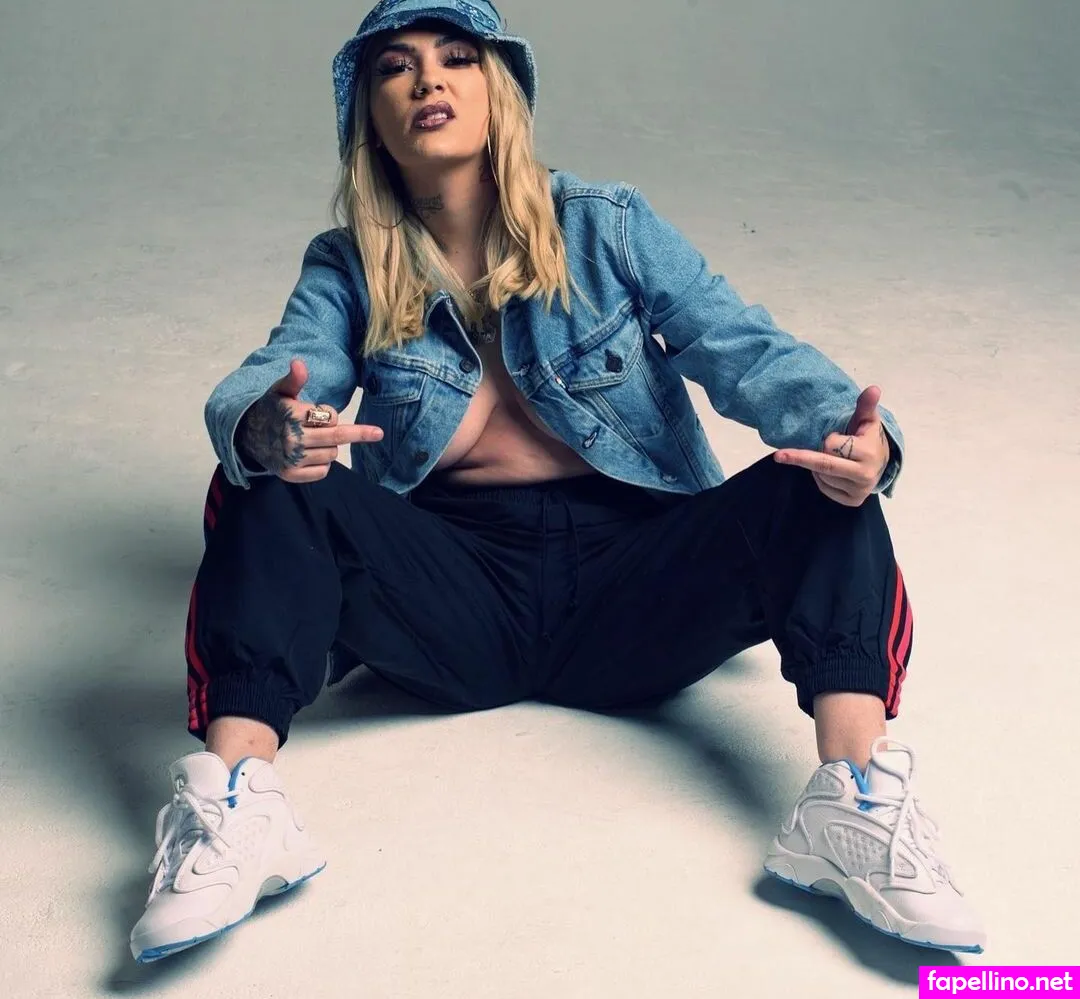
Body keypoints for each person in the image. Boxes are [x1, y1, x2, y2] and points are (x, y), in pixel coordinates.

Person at [129, 0, 986, 964]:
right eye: (395, 67)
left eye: (457, 57)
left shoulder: (605, 226)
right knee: (262, 474)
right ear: (367, 115)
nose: (428, 79)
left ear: (501, 89)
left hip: (636, 590)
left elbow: (741, 345)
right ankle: (237, 805)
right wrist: (268, 424)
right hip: (451, 602)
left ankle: (854, 802)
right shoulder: (348, 265)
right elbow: (279, 372)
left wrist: (859, 440)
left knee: (820, 483)